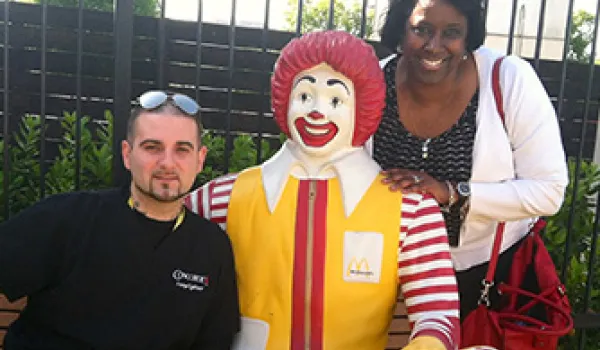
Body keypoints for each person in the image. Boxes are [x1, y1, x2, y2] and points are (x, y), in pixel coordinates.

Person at [186, 30, 459, 350]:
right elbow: (157, 246)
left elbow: (438, 316)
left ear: (362, 107)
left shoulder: (411, 212)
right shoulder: (223, 198)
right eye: (304, 96)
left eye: (335, 100)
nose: (317, 112)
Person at [371, 0, 568, 323]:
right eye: (421, 29)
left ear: (468, 36)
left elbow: (549, 191)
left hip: (487, 278)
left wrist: (452, 193)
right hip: (386, 277)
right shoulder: (374, 83)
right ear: (400, 27)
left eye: (452, 32)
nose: (434, 46)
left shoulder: (508, 79)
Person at [0, 91, 240, 349]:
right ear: (127, 154)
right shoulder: (68, 218)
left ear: (200, 159)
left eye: (182, 149)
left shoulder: (211, 249)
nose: (167, 163)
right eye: (152, 147)